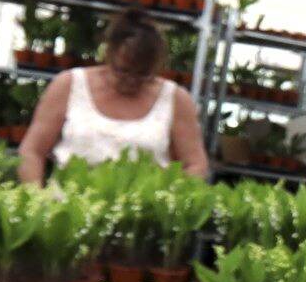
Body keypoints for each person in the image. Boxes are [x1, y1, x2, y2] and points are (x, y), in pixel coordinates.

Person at [17, 13, 209, 183]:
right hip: (68, 208)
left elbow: (196, 165)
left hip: (143, 215)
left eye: (142, 74)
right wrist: (37, 198)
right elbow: (32, 151)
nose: (131, 80)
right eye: (122, 71)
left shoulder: (176, 99)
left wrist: (168, 201)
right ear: (109, 53)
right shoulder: (68, 85)